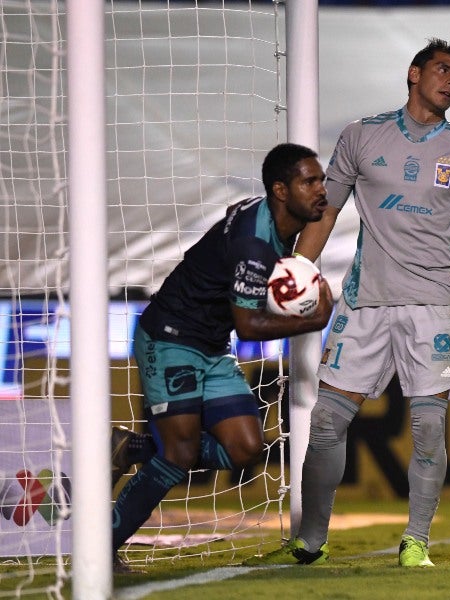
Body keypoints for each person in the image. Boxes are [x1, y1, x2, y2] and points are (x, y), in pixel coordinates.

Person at [250, 37, 450, 569]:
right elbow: (327, 213)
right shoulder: (361, 136)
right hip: (365, 306)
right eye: (443, 69)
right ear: (414, 72)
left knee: (429, 427)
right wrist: (300, 270)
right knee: (328, 423)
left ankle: (416, 540)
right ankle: (311, 539)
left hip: (434, 311)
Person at [110, 143, 335, 573]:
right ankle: (104, 543)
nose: (320, 189)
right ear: (280, 190)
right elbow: (249, 327)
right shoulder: (255, 243)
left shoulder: (273, 218)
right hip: (170, 338)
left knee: (246, 448)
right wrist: (312, 320)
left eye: (321, 179)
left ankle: (131, 447)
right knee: (178, 454)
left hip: (211, 347)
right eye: (310, 181)